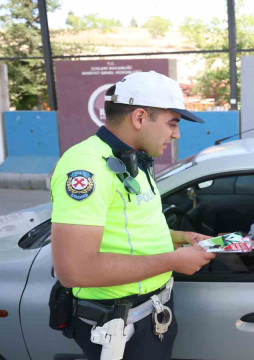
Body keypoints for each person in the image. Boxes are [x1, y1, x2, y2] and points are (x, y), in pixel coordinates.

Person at [50, 71, 216, 360]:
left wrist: (178, 237)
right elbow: (73, 270)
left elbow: (128, 226)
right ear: (139, 118)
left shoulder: (134, 158)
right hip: (119, 327)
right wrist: (174, 260)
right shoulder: (87, 166)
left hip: (148, 314)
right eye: (173, 123)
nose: (176, 133)